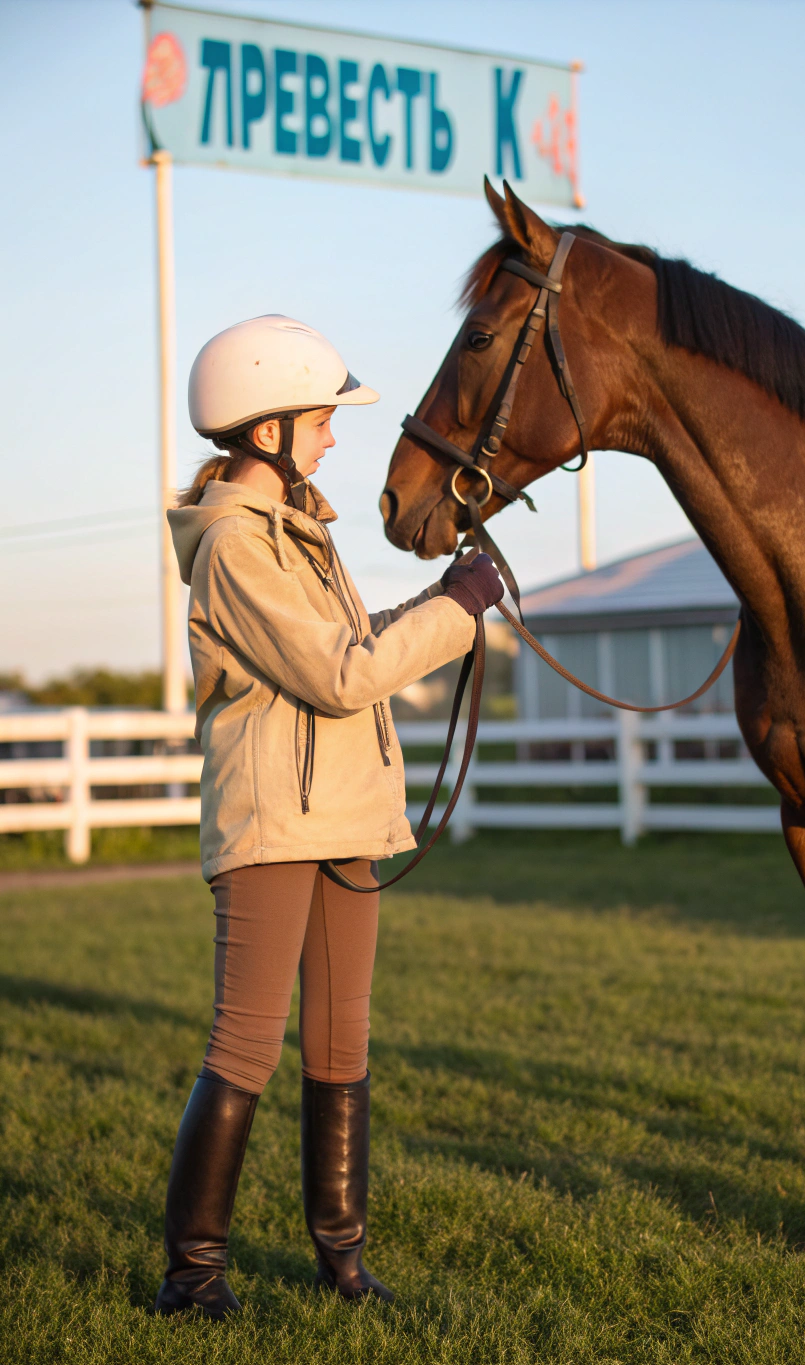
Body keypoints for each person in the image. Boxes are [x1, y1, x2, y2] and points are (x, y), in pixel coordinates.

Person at [155, 315, 503, 1319]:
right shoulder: (233, 547)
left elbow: (352, 641)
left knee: (342, 1044)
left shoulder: (298, 536)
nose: (334, 436)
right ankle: (193, 1277)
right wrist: (457, 613)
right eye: (319, 420)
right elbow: (339, 676)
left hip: (344, 817)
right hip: (275, 823)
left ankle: (342, 1258)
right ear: (266, 432)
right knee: (245, 1045)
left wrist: (443, 597)